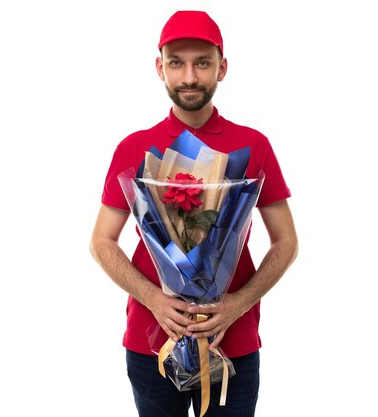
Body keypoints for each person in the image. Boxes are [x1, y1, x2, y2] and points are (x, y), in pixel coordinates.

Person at [89, 10, 298, 417]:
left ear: (222, 68)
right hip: (151, 341)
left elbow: (286, 241)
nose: (188, 77)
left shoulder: (254, 145)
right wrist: (153, 298)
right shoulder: (134, 148)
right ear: (159, 68)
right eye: (176, 63)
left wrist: (238, 302)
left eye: (202, 63)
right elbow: (101, 241)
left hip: (232, 341)